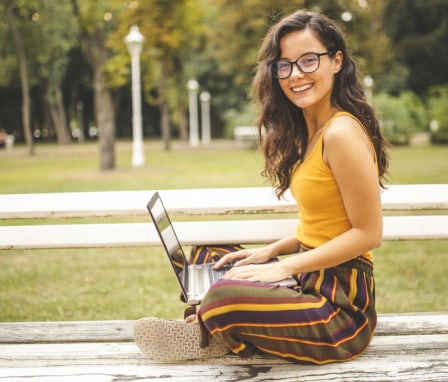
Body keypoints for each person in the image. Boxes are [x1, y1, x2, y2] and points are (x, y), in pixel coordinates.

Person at [135, 9, 389, 364]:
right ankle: (217, 326)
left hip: (339, 311)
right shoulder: (313, 133)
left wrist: (284, 268)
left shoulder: (342, 133)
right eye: (284, 65)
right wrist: (270, 252)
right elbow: (323, 226)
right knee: (212, 253)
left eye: (308, 61)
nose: (295, 75)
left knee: (224, 294)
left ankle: (209, 327)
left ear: (336, 61)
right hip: (308, 282)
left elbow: (367, 234)